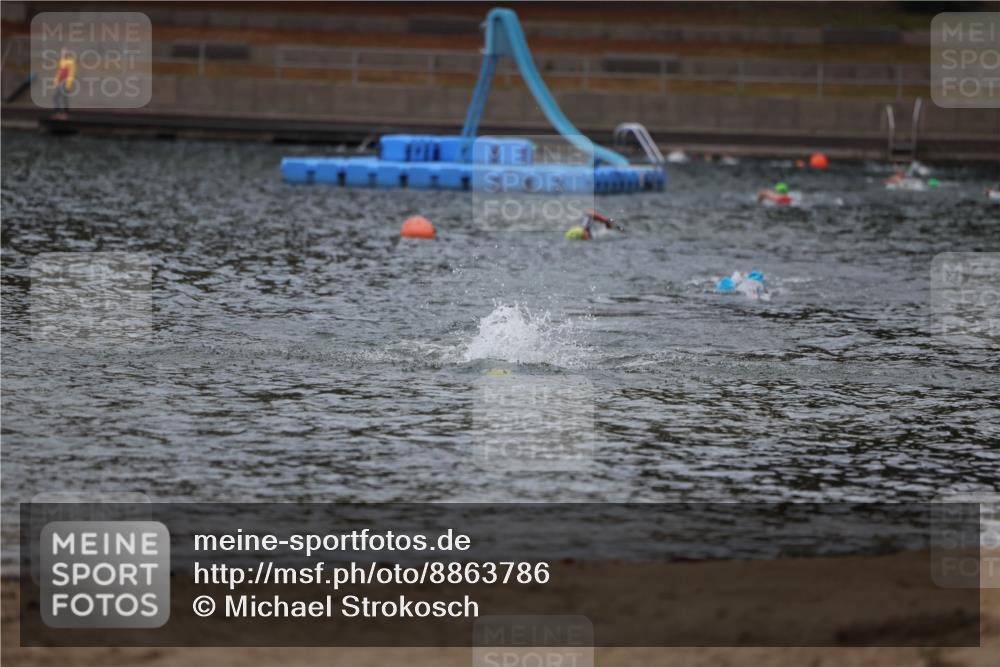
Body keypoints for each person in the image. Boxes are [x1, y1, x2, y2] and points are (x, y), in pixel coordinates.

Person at [52, 47, 76, 113]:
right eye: (62, 52)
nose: (64, 54)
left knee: (64, 98)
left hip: (65, 82)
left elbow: (71, 74)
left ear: (67, 53)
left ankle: (65, 113)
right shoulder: (62, 60)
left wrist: (68, 85)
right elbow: (59, 72)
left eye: (65, 52)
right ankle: (57, 111)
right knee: (55, 97)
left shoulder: (71, 61)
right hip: (60, 82)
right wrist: (55, 82)